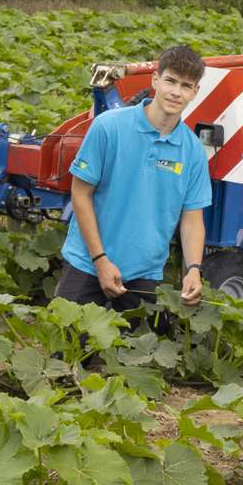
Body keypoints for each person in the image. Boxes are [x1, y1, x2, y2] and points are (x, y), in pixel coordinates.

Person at [55, 45, 211, 318]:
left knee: (137, 345)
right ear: (155, 80)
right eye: (170, 81)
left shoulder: (193, 151)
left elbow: (192, 218)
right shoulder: (109, 127)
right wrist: (100, 260)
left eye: (186, 86)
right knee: (63, 343)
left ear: (195, 92)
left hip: (143, 274)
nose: (176, 92)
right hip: (88, 264)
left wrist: (194, 269)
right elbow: (80, 194)